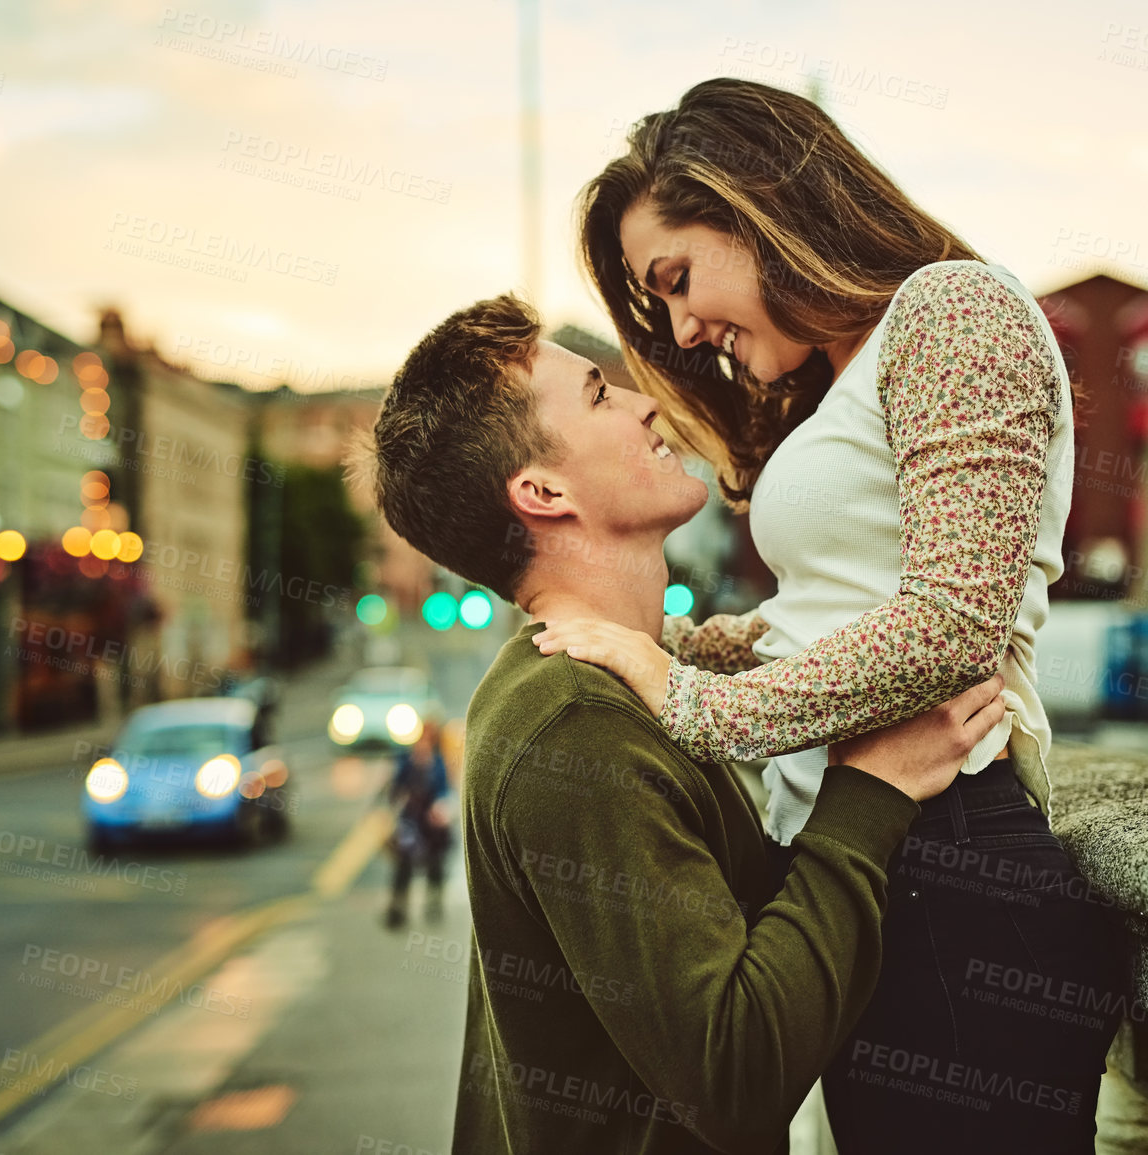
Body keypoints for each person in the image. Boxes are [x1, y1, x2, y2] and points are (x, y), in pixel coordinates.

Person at [531, 78, 1129, 1152]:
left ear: (760, 204)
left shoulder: (955, 312)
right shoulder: (837, 378)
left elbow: (953, 618)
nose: (677, 326)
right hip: (871, 868)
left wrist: (695, 699)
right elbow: (830, 611)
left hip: (956, 877)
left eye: (676, 279)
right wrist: (663, 643)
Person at [363, 294, 1006, 1154]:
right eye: (599, 394)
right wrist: (867, 795)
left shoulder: (603, 682)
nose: (645, 402)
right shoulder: (572, 724)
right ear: (542, 490)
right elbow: (736, 1070)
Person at [383, 719, 453, 930]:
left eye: (429, 738)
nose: (424, 742)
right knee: (403, 862)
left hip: (431, 822)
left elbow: (443, 789)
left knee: (435, 862)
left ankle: (434, 902)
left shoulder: (438, 762)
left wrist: (440, 809)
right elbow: (395, 787)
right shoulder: (406, 759)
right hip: (410, 820)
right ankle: (397, 908)